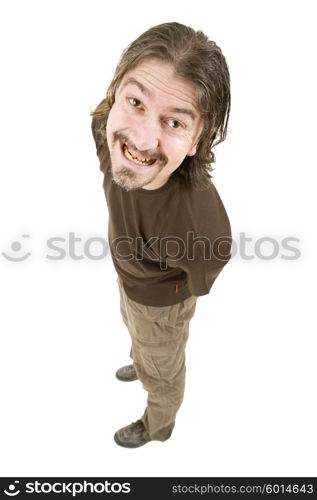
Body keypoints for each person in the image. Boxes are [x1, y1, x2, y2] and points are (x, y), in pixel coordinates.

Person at [91, 22, 232, 448]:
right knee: (136, 329)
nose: (141, 138)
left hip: (162, 300)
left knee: (164, 364)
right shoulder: (105, 133)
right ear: (116, 94)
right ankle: (143, 356)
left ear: (197, 139)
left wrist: (171, 292)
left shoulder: (198, 225)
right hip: (129, 277)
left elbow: (209, 264)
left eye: (174, 122)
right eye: (135, 102)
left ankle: (159, 424)